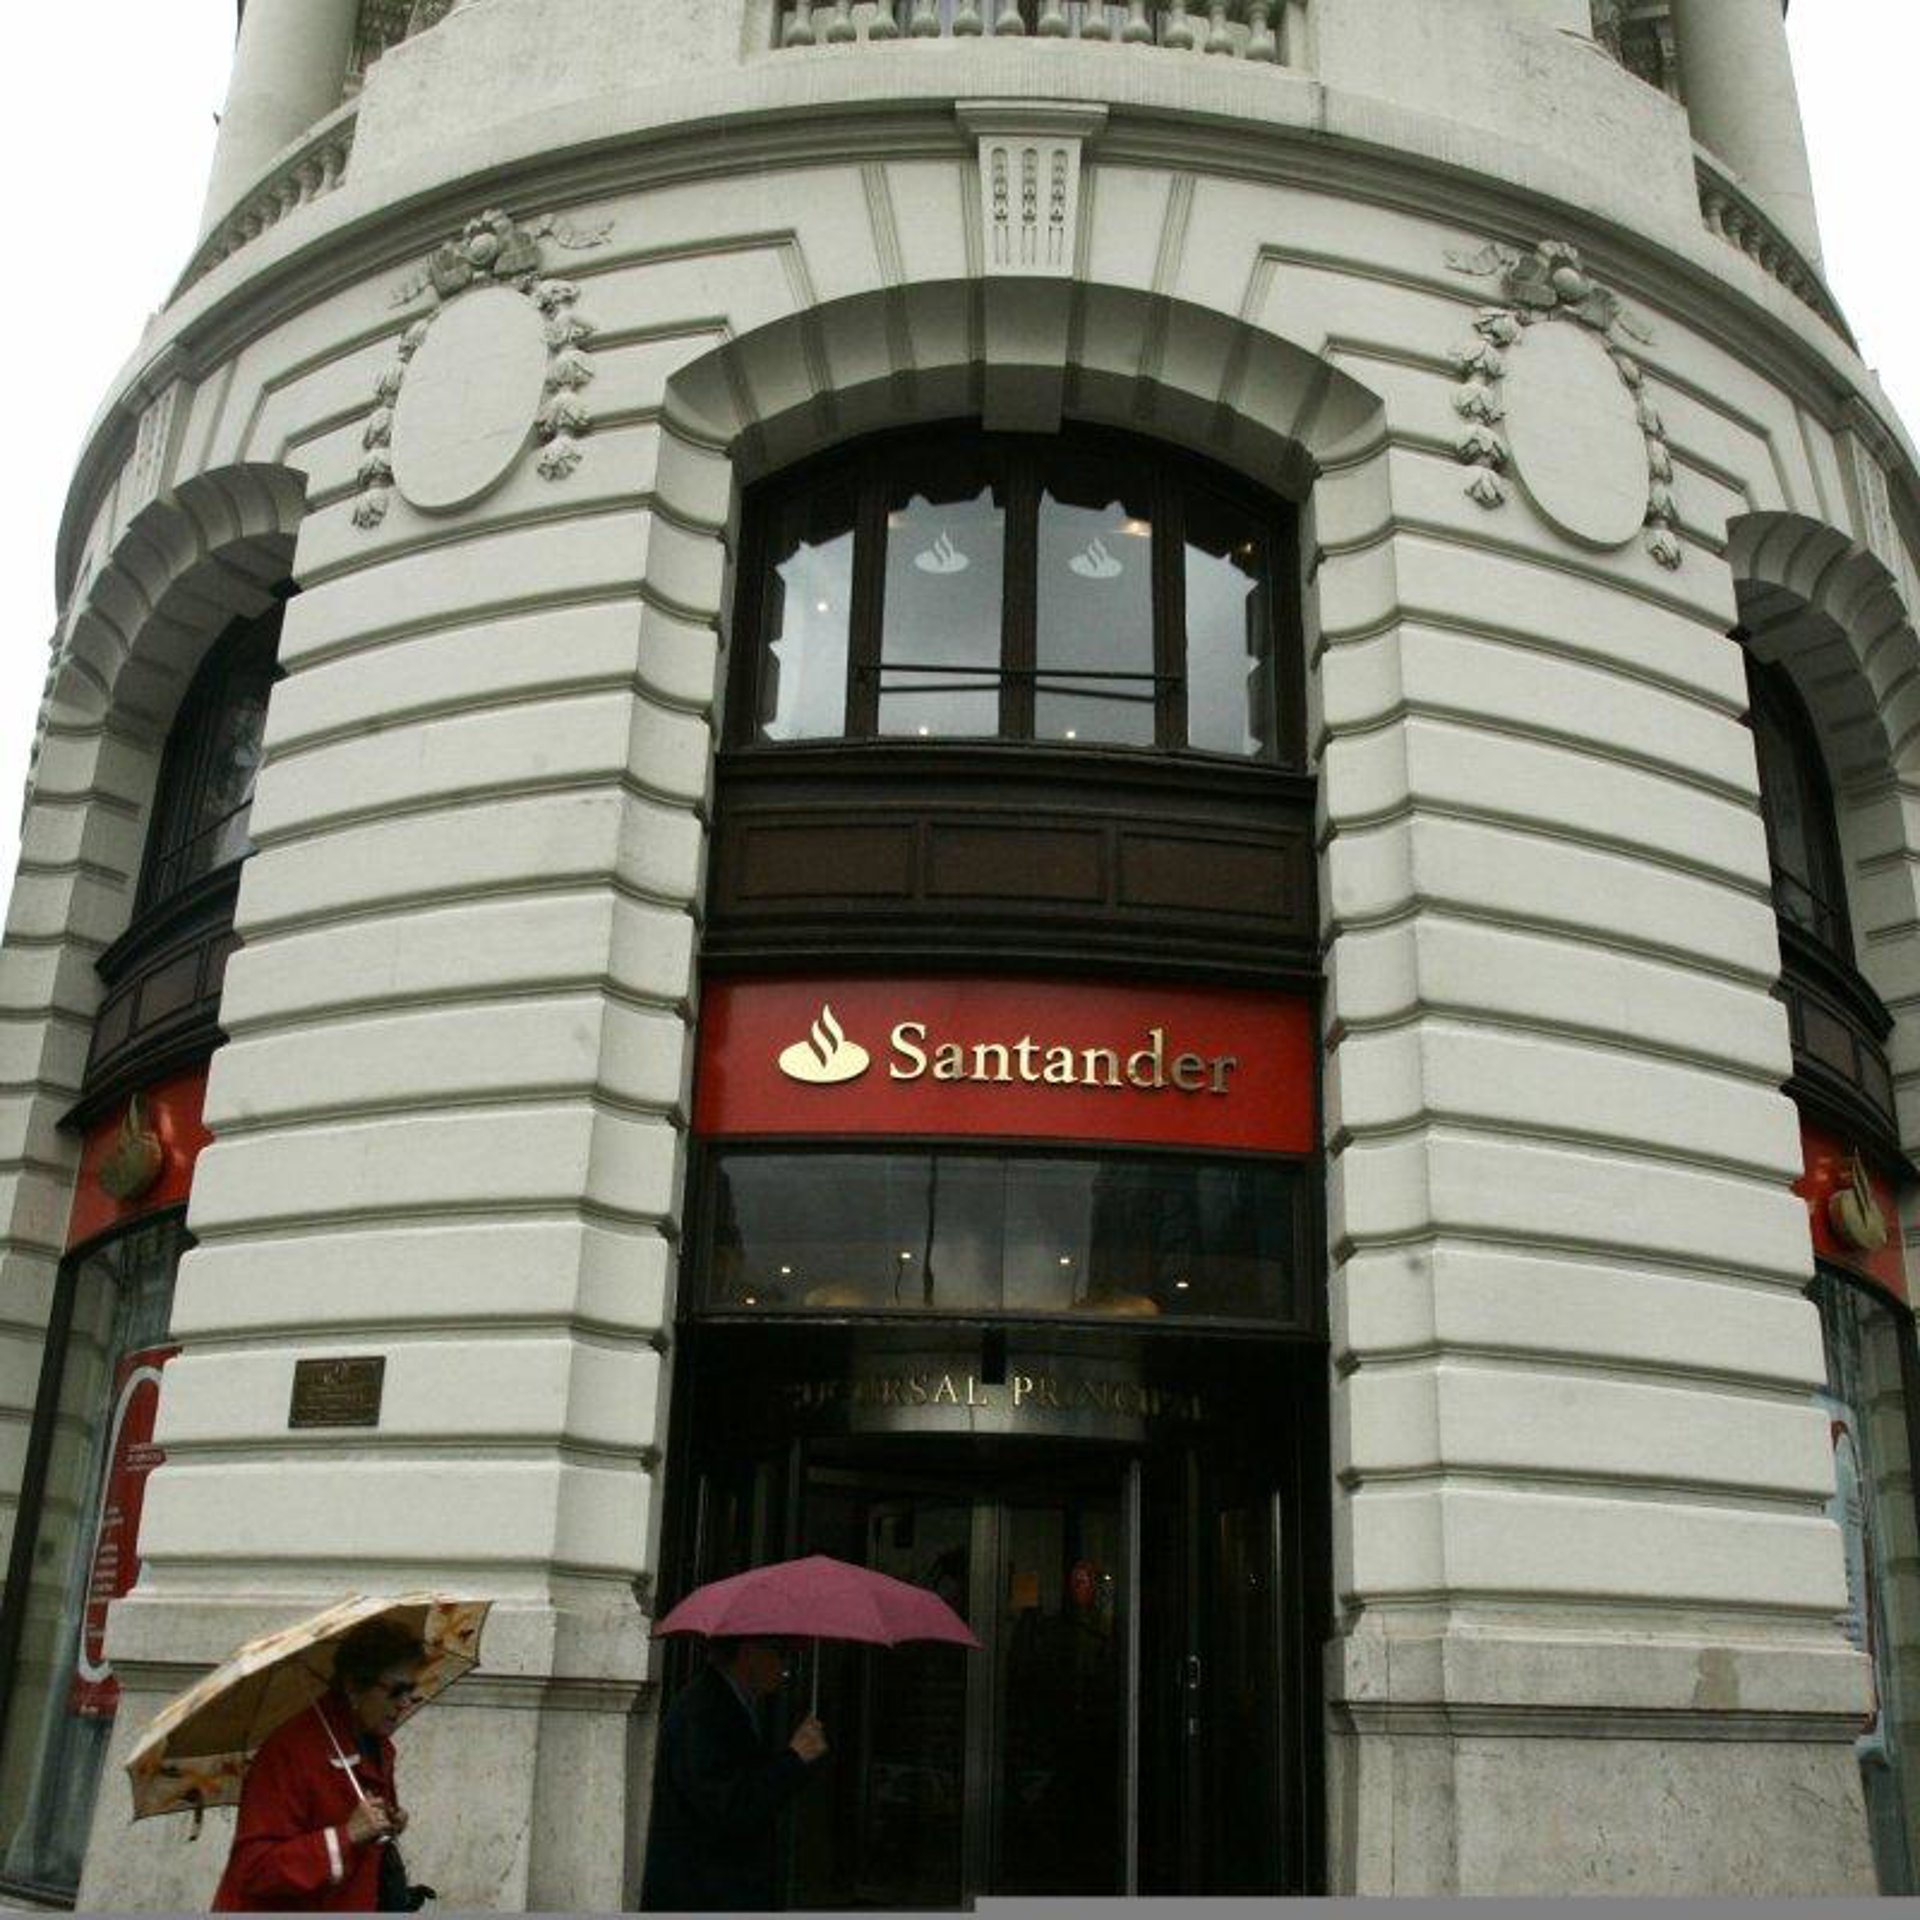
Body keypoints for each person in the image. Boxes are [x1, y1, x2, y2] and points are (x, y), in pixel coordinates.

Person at [212, 1619, 430, 1912]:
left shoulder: (377, 1746)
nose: (405, 1703)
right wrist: (345, 1837)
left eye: (411, 1691)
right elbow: (255, 1868)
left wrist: (388, 1820)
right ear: (353, 1687)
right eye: (396, 1691)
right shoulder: (290, 1752)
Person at [640, 1637, 829, 1911]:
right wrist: (794, 1758)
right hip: (704, 1894)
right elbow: (730, 1804)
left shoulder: (730, 1703)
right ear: (749, 1653)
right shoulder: (705, 1709)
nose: (785, 1667)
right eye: (779, 1653)